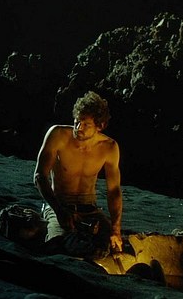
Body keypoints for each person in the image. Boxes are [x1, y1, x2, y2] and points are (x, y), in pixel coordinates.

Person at [33, 91, 123, 260]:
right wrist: (58, 210)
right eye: (76, 121)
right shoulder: (58, 135)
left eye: (86, 124)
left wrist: (115, 229)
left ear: (100, 126)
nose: (78, 128)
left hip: (90, 210)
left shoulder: (109, 147)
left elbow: (114, 191)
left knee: (109, 248)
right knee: (58, 247)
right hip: (59, 204)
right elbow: (39, 176)